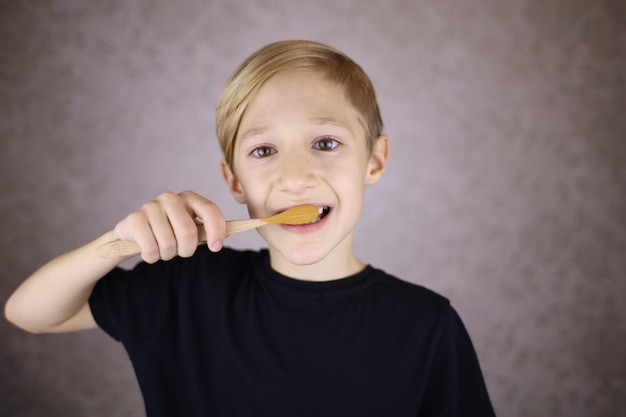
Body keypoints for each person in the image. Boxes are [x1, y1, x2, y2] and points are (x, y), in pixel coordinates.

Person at [5, 40, 495, 416]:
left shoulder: (427, 326)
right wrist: (118, 244)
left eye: (325, 142)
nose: (296, 177)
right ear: (234, 182)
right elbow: (29, 313)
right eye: (264, 151)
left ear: (375, 160)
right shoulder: (186, 287)